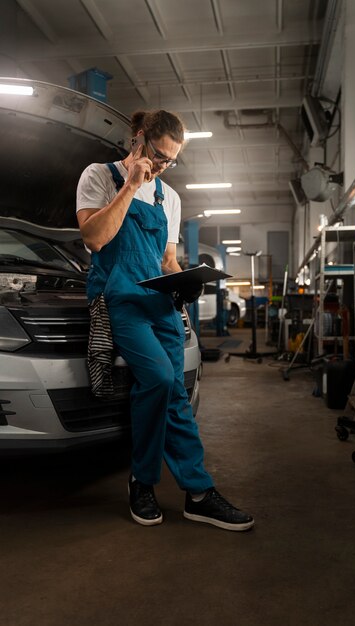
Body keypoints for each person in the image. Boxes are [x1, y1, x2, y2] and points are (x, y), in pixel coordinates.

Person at [76, 109, 254, 532]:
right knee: (157, 378)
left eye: (170, 162)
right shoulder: (99, 176)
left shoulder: (168, 197)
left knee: (175, 392)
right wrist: (132, 184)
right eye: (157, 155)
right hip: (121, 299)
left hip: (161, 304)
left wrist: (186, 281)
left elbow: (167, 259)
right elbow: (95, 238)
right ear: (138, 140)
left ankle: (197, 492)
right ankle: (143, 478)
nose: (161, 166)